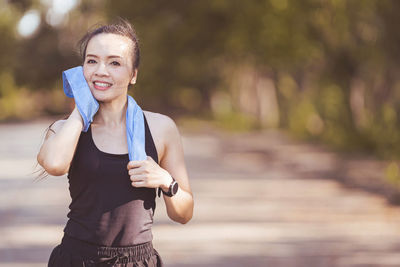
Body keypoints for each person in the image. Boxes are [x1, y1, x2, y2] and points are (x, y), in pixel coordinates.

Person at [37, 19, 194, 266]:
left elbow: (184, 214)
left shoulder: (161, 128)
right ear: (82, 69)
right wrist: (81, 110)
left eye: (115, 63)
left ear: (133, 75)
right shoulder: (66, 129)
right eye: (92, 61)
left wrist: (166, 180)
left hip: (137, 261)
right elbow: (55, 164)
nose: (101, 70)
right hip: (76, 259)